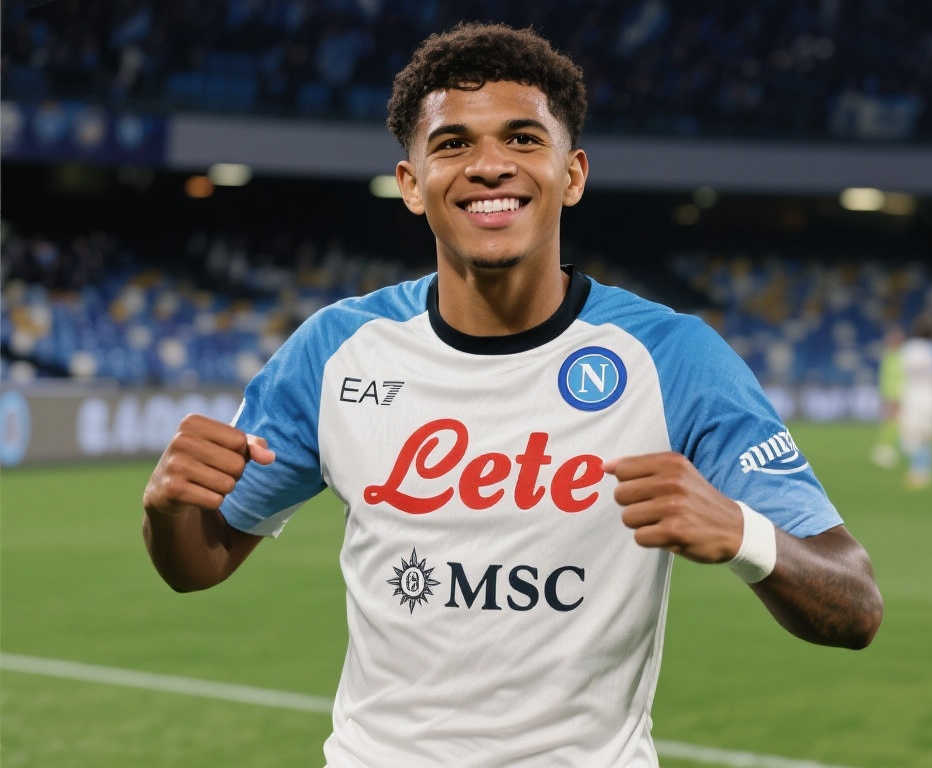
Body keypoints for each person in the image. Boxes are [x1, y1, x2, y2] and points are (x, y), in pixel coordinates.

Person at [142, 23, 883, 767]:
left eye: (524, 139)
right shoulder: (335, 351)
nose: (490, 166)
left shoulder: (673, 357)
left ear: (573, 174)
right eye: (453, 144)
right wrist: (170, 511)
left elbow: (855, 606)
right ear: (411, 183)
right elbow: (199, 562)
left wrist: (742, 533)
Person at [899, 317, 932, 488]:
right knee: (926, 437)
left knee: (911, 437)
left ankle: (917, 470)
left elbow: (900, 373)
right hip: (931, 397)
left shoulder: (907, 349)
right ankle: (923, 471)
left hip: (911, 396)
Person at [871, 326, 904, 469]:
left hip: (894, 393)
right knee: (891, 422)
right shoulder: (893, 357)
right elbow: (890, 378)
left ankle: (885, 448)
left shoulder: (893, 356)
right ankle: (884, 450)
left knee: (893, 422)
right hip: (893, 394)